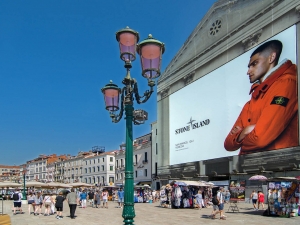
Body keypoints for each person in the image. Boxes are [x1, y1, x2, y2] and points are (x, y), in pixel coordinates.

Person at [224, 40, 298, 155]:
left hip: (277, 168)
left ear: (271, 58)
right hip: (253, 168)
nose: (249, 71)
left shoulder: (287, 83)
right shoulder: (252, 100)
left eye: (254, 64)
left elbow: (260, 139)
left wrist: (239, 138)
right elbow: (228, 144)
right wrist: (245, 132)